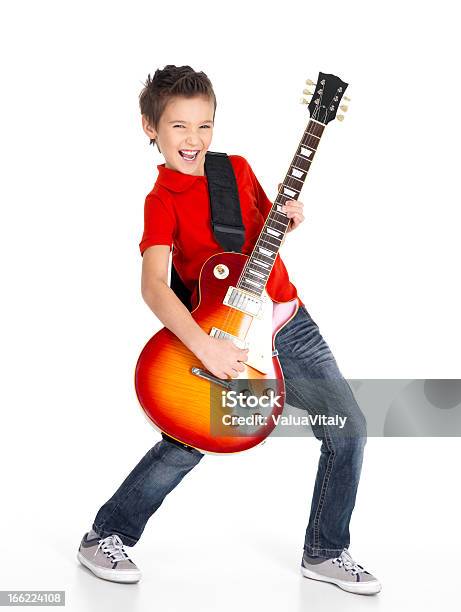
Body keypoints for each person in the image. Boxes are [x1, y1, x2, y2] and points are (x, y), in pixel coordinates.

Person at [77, 64, 381, 595]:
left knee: (348, 425)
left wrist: (286, 220)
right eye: (179, 126)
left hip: (287, 320)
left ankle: (326, 550)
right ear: (150, 127)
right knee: (187, 442)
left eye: (204, 125)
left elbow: (260, 245)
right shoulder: (161, 201)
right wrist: (206, 348)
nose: (193, 139)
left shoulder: (234, 170)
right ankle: (106, 534)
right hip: (221, 337)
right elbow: (154, 287)